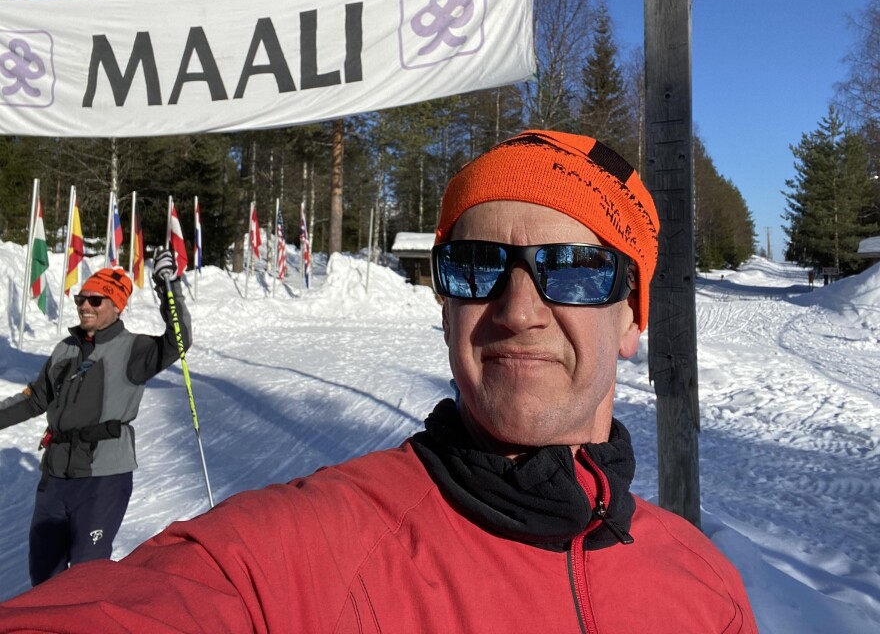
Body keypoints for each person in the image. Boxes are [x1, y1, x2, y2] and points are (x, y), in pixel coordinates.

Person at [0, 131, 757, 633]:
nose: (518, 310)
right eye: (477, 267)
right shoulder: (312, 550)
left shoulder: (706, 590)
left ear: (632, 318)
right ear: (446, 303)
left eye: (577, 271)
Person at [0, 251, 190, 587]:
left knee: (87, 575)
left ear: (116, 305)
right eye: (81, 298)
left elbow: (178, 341)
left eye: (95, 300)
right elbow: (34, 400)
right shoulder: (65, 349)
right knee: (44, 574)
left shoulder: (135, 350)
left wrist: (168, 287)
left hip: (103, 479)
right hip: (55, 477)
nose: (85, 305)